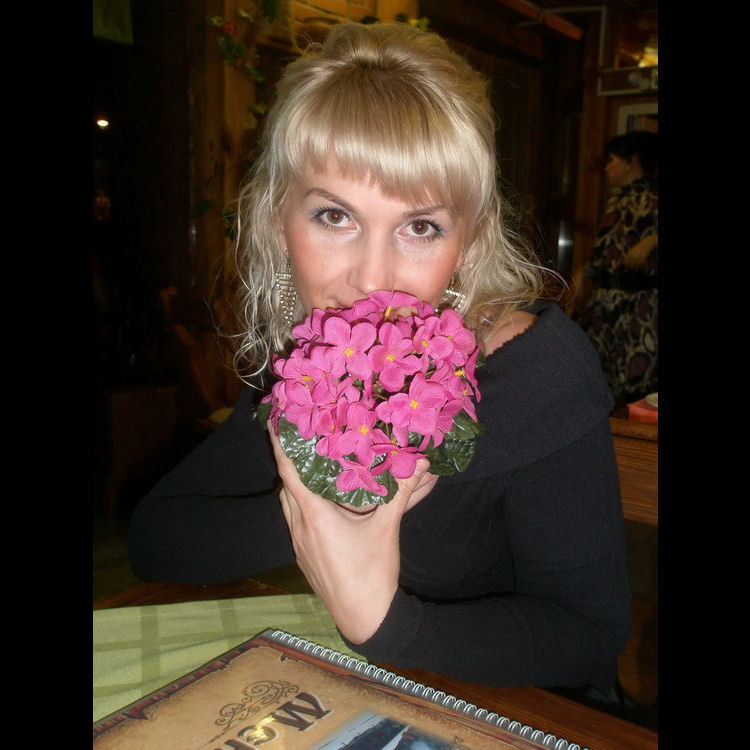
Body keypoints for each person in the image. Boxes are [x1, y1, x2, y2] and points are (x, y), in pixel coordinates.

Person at [128, 21, 631, 706]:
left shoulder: (541, 376)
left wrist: (385, 623)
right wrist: (329, 505)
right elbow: (158, 540)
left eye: (420, 227)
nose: (373, 279)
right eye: (335, 217)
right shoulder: (314, 366)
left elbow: (588, 636)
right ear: (278, 221)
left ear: (467, 240)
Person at [574, 130, 658, 405]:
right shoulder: (616, 200)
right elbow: (609, 250)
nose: (607, 168)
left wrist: (653, 240)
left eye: (612, 160)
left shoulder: (653, 198)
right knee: (596, 377)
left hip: (640, 307)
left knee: (636, 383)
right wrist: (585, 271)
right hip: (606, 305)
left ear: (632, 161)